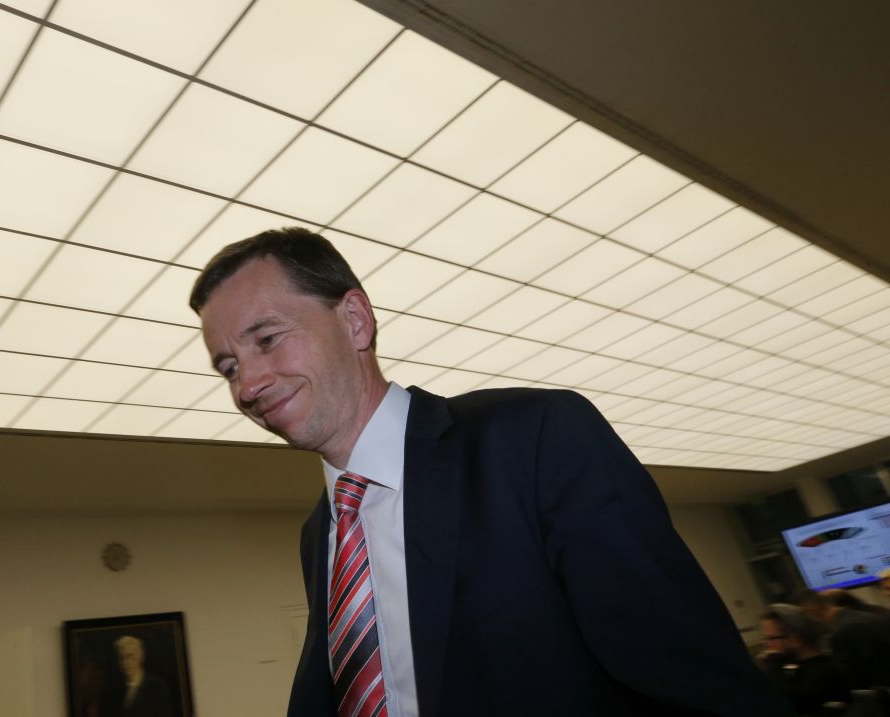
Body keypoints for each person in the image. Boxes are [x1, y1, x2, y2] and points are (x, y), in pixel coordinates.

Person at [190, 227, 791, 716]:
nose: (248, 385)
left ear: (355, 320)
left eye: (267, 340)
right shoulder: (319, 535)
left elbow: (701, 686)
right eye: (228, 367)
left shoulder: (536, 439)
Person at [757, 604, 848, 715]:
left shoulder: (824, 673)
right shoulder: (793, 667)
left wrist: (774, 663)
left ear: (795, 639)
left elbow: (780, 705)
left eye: (771, 638)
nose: (767, 644)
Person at [105, 635, 171, 717]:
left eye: (130, 656)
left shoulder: (157, 688)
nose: (125, 662)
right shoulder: (117, 691)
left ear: (140, 656)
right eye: (121, 658)